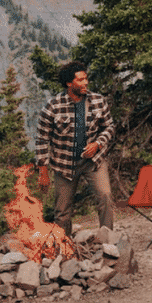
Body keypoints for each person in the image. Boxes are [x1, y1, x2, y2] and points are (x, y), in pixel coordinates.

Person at [35, 61, 115, 236]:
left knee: (105, 197)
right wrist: (43, 172)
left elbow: (109, 127)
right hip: (64, 165)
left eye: (86, 78)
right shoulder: (53, 107)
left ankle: (108, 240)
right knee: (62, 211)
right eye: (80, 80)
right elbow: (42, 139)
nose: (85, 83)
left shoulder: (98, 101)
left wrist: (98, 144)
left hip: (94, 161)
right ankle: (64, 247)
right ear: (69, 83)